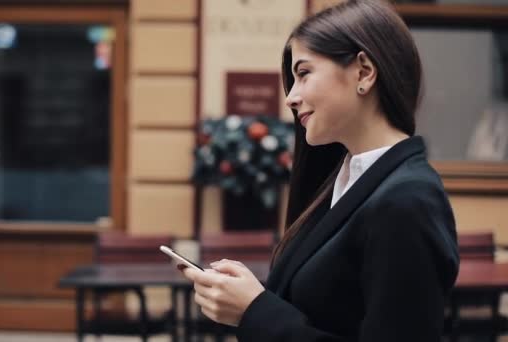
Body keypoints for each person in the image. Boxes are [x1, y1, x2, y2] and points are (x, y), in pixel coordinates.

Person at [181, 0, 460, 340]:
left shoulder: (407, 200)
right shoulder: (346, 181)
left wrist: (255, 310)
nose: (290, 98)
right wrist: (249, 297)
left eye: (304, 73)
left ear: (364, 72)